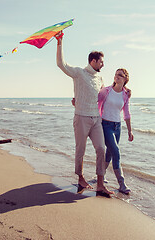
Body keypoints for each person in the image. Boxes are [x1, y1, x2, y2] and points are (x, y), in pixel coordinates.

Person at [55, 31, 113, 197]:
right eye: (101, 62)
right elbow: (61, 64)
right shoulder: (79, 73)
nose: (103, 65)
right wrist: (60, 42)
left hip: (97, 120)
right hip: (81, 117)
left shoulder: (100, 79)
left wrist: (124, 90)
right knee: (80, 149)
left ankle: (100, 184)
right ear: (93, 61)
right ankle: (80, 178)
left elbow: (104, 96)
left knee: (101, 148)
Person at [98, 68, 134, 194]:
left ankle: (101, 177)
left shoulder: (125, 94)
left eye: (120, 75)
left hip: (117, 127)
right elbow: (94, 99)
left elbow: (126, 114)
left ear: (125, 79)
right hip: (105, 125)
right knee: (116, 152)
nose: (117, 76)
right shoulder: (106, 91)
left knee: (110, 153)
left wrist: (130, 131)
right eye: (116, 74)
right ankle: (122, 183)